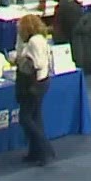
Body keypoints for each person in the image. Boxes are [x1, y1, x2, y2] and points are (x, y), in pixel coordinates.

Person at [13, 14, 56, 165]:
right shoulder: (37, 39)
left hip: (34, 83)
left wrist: (34, 86)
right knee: (36, 117)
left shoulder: (34, 41)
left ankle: (46, 148)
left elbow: (38, 64)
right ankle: (36, 153)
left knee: (25, 118)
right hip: (38, 81)